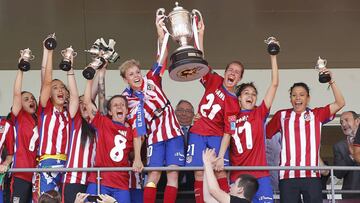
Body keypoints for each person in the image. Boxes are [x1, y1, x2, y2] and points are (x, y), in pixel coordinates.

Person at [120, 13, 184, 203]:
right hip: (154, 135)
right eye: (131, 74)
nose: (136, 76)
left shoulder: (152, 79)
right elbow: (137, 130)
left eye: (137, 72)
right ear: (125, 79)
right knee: (153, 174)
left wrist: (160, 33)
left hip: (173, 130)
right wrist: (137, 158)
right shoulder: (126, 99)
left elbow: (162, 57)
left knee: (173, 173)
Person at [266, 67, 345, 203]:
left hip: (312, 175)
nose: (298, 98)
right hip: (287, 176)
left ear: (308, 98)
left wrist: (331, 81)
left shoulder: (316, 114)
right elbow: (266, 134)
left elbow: (340, 103)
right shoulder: (281, 115)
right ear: (290, 99)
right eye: (294, 95)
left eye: (302, 94)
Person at [185, 19, 243, 203]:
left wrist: (220, 155)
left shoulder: (234, 103)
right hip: (198, 132)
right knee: (199, 173)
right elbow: (201, 63)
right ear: (225, 72)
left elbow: (228, 131)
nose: (232, 73)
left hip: (217, 136)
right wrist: (200, 35)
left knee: (220, 170)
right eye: (230, 70)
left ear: (239, 78)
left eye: (237, 72)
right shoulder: (215, 80)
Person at [230, 44, 279, 203]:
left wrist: (273, 56)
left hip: (260, 175)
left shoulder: (259, 113)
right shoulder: (230, 117)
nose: (250, 96)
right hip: (237, 176)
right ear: (239, 98)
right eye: (246, 93)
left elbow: (274, 84)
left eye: (253, 94)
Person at [83, 69, 140, 203]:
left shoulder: (133, 130)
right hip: (100, 179)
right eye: (115, 105)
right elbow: (87, 102)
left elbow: (133, 155)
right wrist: (90, 79)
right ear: (110, 111)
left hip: (121, 183)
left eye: (122, 105)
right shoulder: (103, 122)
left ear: (127, 110)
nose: (119, 106)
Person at [37, 35, 76, 194]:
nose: (59, 90)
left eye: (62, 87)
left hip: (67, 163)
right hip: (47, 163)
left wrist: (70, 65)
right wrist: (49, 51)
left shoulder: (69, 113)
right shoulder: (45, 109)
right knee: (47, 199)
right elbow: (46, 81)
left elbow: (74, 94)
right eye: (55, 88)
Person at [62, 58, 98, 202]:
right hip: (73, 180)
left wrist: (101, 70)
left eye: (86, 103)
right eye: (81, 103)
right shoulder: (74, 120)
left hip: (92, 180)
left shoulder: (97, 123)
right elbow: (75, 95)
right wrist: (70, 68)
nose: (84, 105)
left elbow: (94, 95)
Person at [8, 65, 39, 202]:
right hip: (20, 173)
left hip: (37, 175)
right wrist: (20, 69)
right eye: (26, 99)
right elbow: (16, 94)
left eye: (32, 98)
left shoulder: (41, 120)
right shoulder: (19, 117)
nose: (31, 100)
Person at [333, 111, 360, 199]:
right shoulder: (339, 146)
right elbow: (338, 173)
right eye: (341, 122)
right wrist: (352, 157)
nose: (343, 124)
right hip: (351, 194)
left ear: (357, 121)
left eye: (346, 120)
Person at [175, 100, 195, 192]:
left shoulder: (198, 131)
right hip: (169, 180)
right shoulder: (168, 131)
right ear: (175, 113)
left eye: (188, 111)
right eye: (180, 110)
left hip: (193, 181)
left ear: (193, 115)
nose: (184, 113)